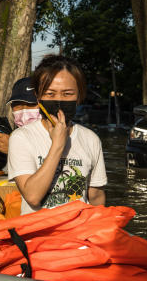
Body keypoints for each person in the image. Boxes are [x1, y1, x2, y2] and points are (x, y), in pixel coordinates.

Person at [6, 55, 107, 215]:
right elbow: (32, 196)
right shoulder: (21, 138)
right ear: (38, 98)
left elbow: (95, 196)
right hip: (39, 233)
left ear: (79, 97)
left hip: (78, 232)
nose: (59, 100)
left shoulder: (91, 139)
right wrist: (58, 145)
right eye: (50, 94)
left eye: (67, 94)